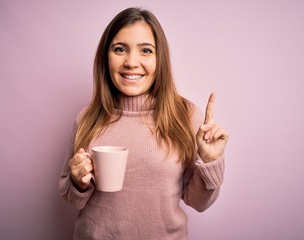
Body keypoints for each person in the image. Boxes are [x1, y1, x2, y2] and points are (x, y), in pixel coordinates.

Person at [59, 7, 229, 239]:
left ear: (160, 60)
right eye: (120, 49)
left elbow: (198, 203)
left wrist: (210, 161)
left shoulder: (185, 116)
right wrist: (78, 182)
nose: (131, 62)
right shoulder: (87, 118)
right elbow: (70, 197)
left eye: (146, 50)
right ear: (105, 57)